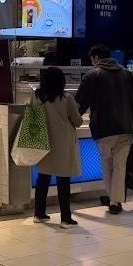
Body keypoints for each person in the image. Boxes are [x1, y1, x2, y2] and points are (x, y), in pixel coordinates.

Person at [75, 44, 133, 215]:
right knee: (120, 166)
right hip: (126, 128)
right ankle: (115, 201)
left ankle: (113, 200)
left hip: (103, 129)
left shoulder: (92, 75)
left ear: (96, 58)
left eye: (92, 60)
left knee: (107, 165)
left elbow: (80, 103)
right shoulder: (128, 74)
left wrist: (73, 119)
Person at [32, 67, 84, 228]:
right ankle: (65, 219)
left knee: (43, 178)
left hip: (43, 143)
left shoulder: (37, 97)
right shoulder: (66, 98)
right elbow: (77, 121)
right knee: (63, 181)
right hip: (63, 144)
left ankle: (39, 213)